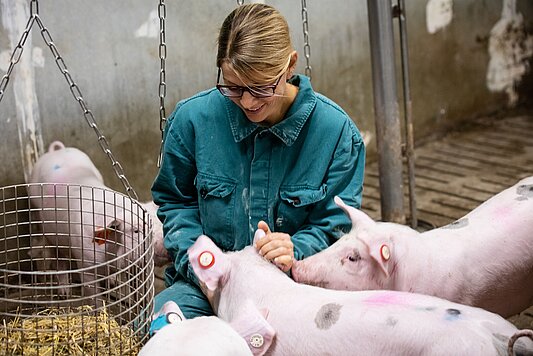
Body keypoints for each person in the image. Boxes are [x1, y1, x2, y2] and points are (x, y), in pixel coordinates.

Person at [151, 3, 365, 321]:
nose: (248, 102)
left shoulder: (335, 134)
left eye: (261, 87)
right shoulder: (192, 120)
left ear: (290, 65)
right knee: (163, 327)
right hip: (206, 288)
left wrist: (297, 248)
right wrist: (201, 261)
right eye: (234, 87)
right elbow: (175, 203)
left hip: (298, 287)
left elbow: (336, 224)